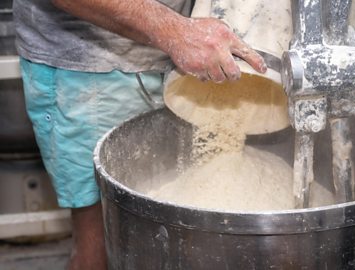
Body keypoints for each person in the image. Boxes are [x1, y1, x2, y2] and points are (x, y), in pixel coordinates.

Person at [13, 0, 266, 269]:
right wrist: (175, 32)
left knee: (176, 232)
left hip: (183, 54)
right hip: (94, 69)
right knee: (101, 242)